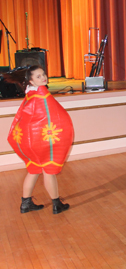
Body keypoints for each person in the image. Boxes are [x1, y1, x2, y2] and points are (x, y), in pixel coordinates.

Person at [8, 66, 72, 214]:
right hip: (42, 140)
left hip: (30, 141)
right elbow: (55, 116)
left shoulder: (29, 93)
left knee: (33, 170)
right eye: (38, 76)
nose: (43, 77)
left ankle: (26, 204)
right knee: (49, 171)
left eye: (43, 74)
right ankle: (57, 204)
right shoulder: (43, 93)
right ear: (31, 80)